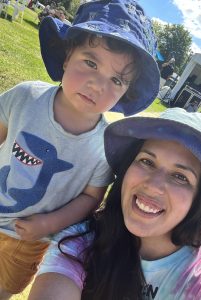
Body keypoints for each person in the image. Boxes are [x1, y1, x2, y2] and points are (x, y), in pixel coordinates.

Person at [0, 0, 160, 298]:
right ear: (66, 56)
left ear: (127, 91)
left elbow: (90, 199)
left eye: (116, 80)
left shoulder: (104, 145)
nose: (98, 84)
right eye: (90, 62)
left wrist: (48, 224)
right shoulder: (25, 97)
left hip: (27, 239)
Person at [29, 108, 201, 300]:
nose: (153, 185)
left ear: (199, 198)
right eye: (147, 161)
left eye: (180, 177)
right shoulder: (81, 243)